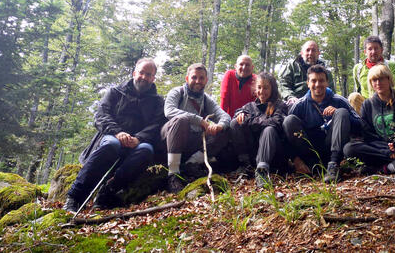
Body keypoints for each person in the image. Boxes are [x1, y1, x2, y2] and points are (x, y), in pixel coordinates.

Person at [64, 58, 166, 213]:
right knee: (112, 144)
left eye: (149, 74)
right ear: (134, 73)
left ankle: (108, 192)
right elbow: (101, 115)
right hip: (111, 137)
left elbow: (157, 124)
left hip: (137, 143)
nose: (144, 77)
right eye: (141, 73)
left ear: (153, 78)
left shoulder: (158, 101)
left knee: (146, 150)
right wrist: (118, 132)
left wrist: (139, 138)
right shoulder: (115, 92)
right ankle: (74, 197)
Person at [282, 64, 360, 183]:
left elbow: (360, 125)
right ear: (308, 83)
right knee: (289, 120)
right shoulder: (300, 105)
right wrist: (295, 159)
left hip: (331, 149)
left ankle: (334, 166)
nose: (317, 84)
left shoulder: (339, 101)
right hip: (309, 150)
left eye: (321, 80)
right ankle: (312, 165)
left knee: (342, 113)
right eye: (314, 81)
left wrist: (340, 115)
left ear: (327, 82)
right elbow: (286, 134)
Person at [161, 63, 231, 193]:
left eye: (201, 78)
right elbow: (169, 111)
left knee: (226, 130)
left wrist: (219, 125)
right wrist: (199, 120)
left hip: (194, 140)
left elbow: (224, 116)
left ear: (206, 80)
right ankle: (173, 174)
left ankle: (192, 164)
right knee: (181, 120)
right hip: (172, 137)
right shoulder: (177, 92)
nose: (197, 81)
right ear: (187, 78)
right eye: (194, 77)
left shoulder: (206, 99)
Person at [343, 64, 395, 174]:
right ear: (370, 83)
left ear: (389, 79)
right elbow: (368, 135)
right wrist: (387, 151)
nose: (378, 83)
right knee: (349, 148)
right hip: (380, 150)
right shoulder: (368, 105)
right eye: (374, 80)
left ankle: (385, 166)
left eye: (381, 79)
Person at [230, 72, 288, 188]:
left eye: (266, 88)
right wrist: (240, 114)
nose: (262, 91)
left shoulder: (279, 105)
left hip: (274, 152)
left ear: (272, 89)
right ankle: (245, 164)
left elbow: (276, 122)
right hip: (253, 151)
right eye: (259, 87)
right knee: (235, 122)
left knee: (269, 129)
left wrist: (251, 121)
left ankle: (262, 171)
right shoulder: (249, 107)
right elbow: (237, 117)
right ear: (255, 89)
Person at [279, 40, 335, 105]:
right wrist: (290, 97)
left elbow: (331, 92)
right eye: (307, 50)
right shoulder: (292, 66)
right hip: (296, 102)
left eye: (313, 50)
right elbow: (283, 84)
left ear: (318, 53)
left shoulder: (326, 72)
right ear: (302, 53)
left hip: (320, 103)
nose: (310, 53)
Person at [352, 36, 395, 100]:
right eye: (370, 49)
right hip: (365, 104)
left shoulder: (391, 65)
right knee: (353, 97)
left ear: (381, 50)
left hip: (386, 101)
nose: (373, 52)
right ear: (365, 52)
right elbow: (358, 89)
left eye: (376, 48)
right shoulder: (358, 68)